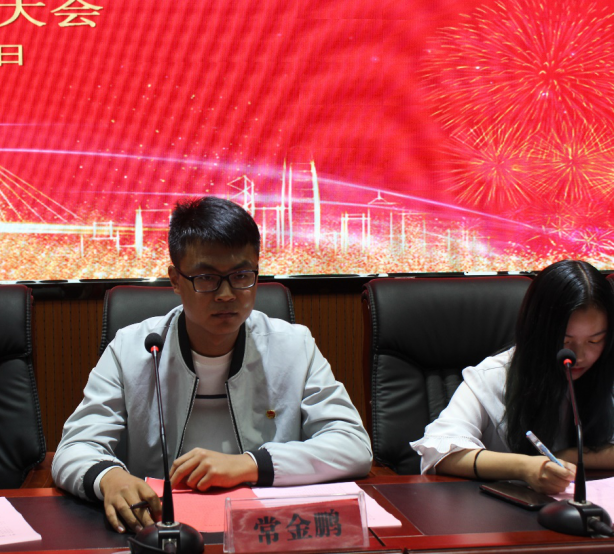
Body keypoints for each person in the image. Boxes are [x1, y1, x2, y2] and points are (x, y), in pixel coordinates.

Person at [53, 196, 372, 533]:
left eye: (241, 275)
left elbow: (352, 444)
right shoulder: (132, 349)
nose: (226, 294)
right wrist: (109, 477)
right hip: (158, 527)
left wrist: (249, 465)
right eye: (207, 277)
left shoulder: (293, 346)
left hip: (262, 527)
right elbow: (74, 448)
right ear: (175, 280)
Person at [411, 260, 614, 494]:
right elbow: (439, 453)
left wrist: (568, 455)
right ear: (538, 331)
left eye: (595, 340)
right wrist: (524, 467)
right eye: (565, 341)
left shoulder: (606, 369)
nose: (579, 355)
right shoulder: (493, 376)